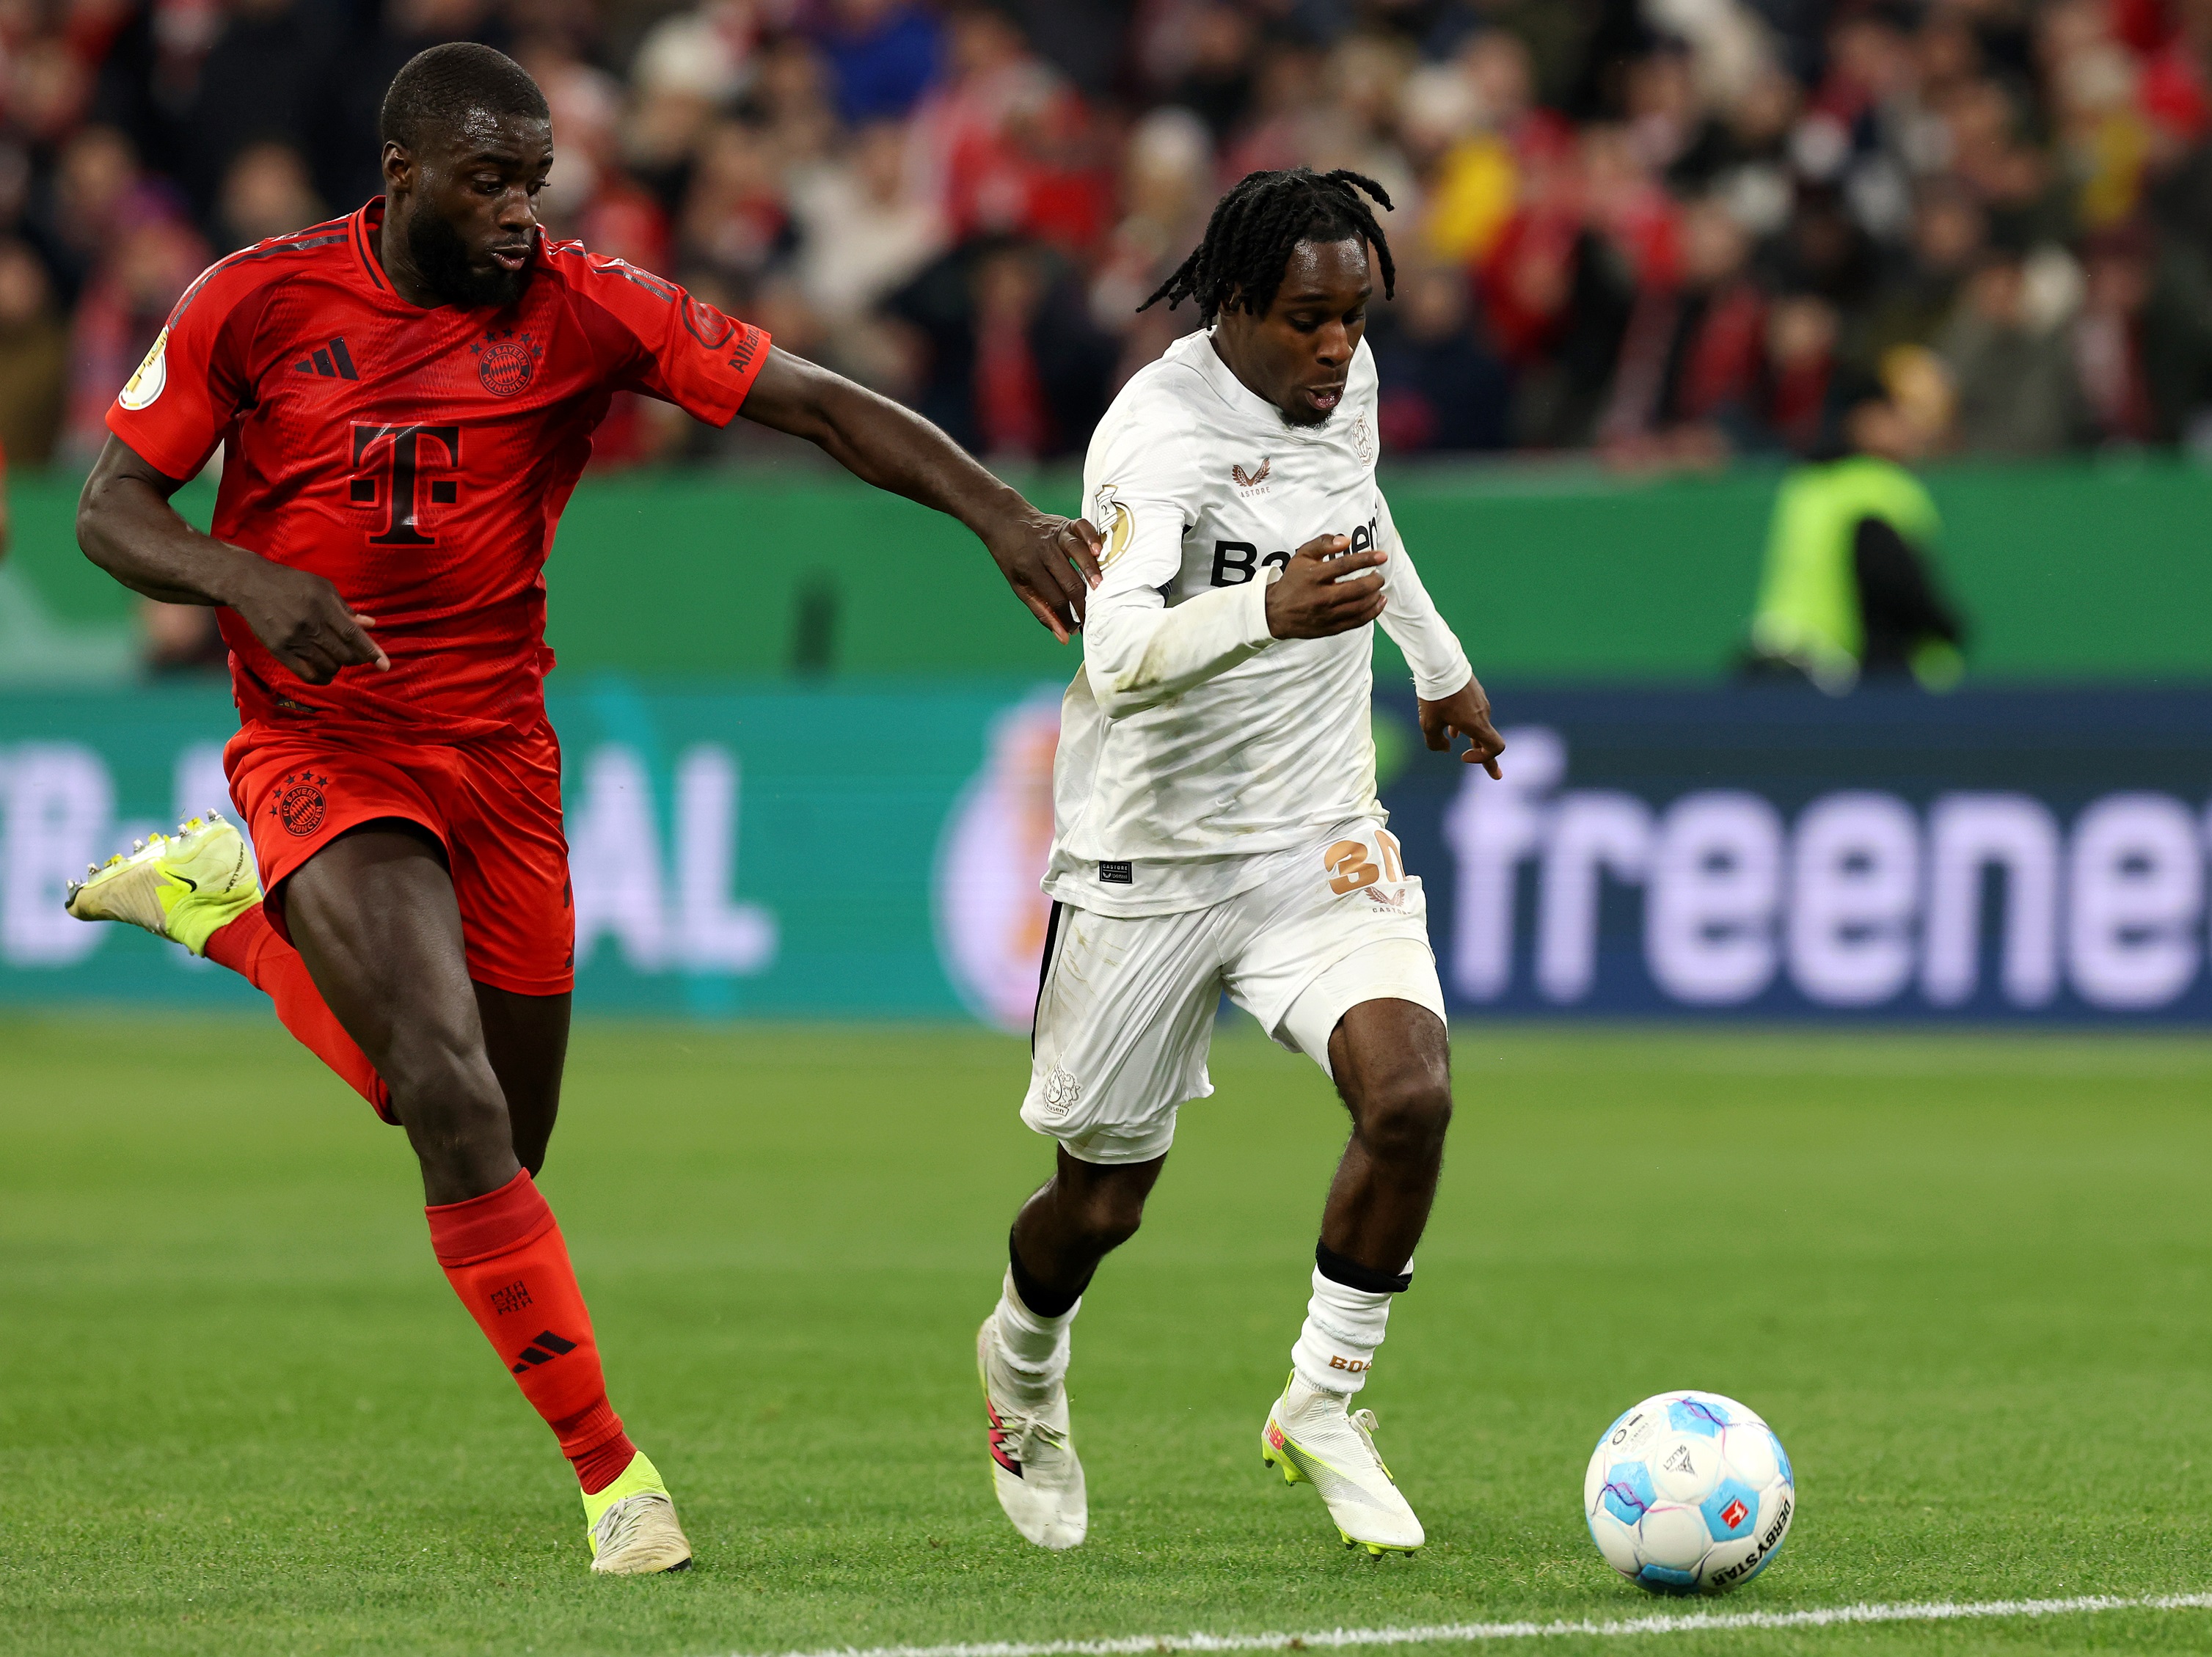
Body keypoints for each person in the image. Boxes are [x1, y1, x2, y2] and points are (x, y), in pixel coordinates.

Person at [64, 43, 1100, 1576]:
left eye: (535, 183)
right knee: (452, 1097)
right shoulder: (254, 299)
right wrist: (247, 578)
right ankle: (620, 1483)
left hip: (500, 760)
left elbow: (812, 403)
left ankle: (226, 917)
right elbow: (110, 509)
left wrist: (1000, 512)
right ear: (402, 174)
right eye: (489, 183)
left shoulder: (584, 301)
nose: (520, 216)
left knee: (500, 1128)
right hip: (322, 747)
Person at [971, 167, 1506, 1559]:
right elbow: (1117, 654)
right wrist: (1265, 609)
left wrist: (1438, 666)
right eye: (1309, 321)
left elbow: (1365, 512)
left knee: (1411, 1094)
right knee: (1100, 1200)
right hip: (1149, 860)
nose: (1338, 349)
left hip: (1316, 831)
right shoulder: (1155, 438)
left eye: (1355, 317)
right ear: (1235, 307)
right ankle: (1024, 1360)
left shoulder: (1350, 383)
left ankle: (1323, 1401)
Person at [1744, 390, 1965, 691]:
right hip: (1837, 673)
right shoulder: (1878, 488)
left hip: (1780, 658)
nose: (1911, 429)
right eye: (1898, 415)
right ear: (1866, 420)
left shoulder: (1805, 484)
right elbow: (1894, 583)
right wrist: (1945, 627)